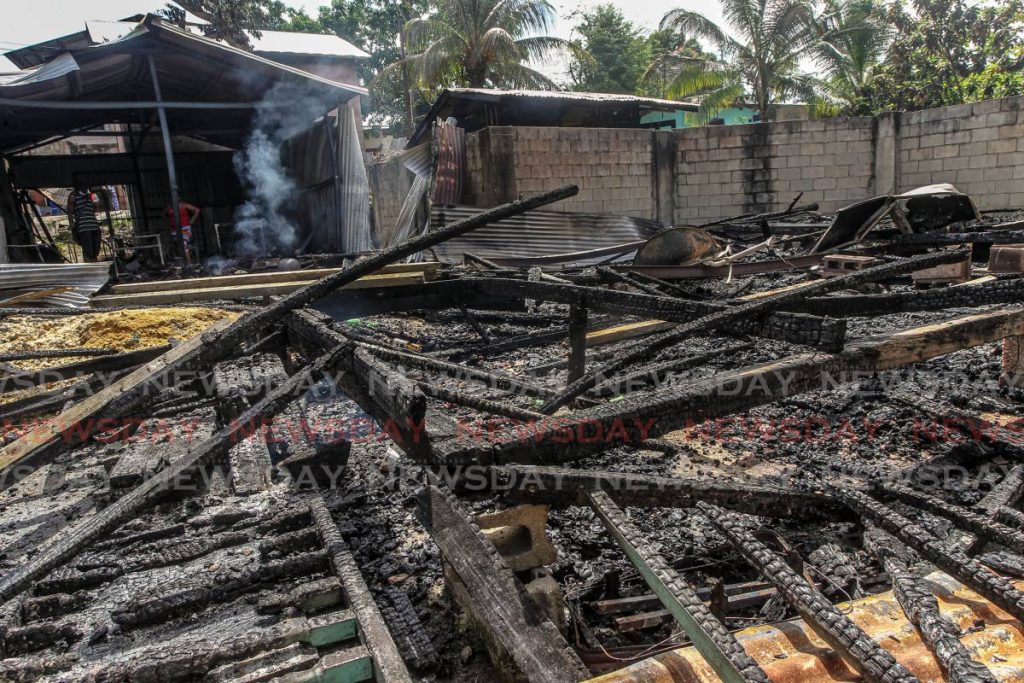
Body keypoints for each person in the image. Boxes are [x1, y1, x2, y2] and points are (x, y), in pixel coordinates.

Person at [66, 187, 102, 263]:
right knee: (88, 250)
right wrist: (72, 226)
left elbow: (97, 209)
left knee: (96, 250)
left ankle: (95, 266)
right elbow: (70, 212)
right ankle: (89, 268)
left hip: (94, 226)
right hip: (83, 227)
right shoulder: (73, 196)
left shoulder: (91, 195)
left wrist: (94, 198)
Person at [165, 199, 200, 265]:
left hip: (185, 228)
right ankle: (179, 263)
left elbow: (197, 210)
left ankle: (189, 263)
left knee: (183, 242)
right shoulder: (169, 207)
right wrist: (169, 224)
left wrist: (191, 221)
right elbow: (164, 214)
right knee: (175, 243)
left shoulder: (184, 205)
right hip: (175, 230)